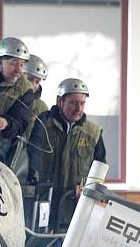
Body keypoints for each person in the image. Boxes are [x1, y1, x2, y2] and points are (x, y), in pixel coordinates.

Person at [26, 78, 106, 230]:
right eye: (73, 103)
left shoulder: (93, 133)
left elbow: (100, 166)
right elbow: (30, 157)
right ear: (60, 101)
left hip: (74, 206)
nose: (78, 108)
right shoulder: (42, 125)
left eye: (82, 103)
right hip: (43, 202)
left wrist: (87, 187)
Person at [7, 54, 49, 175]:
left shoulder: (41, 108)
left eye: (37, 81)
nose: (34, 85)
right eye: (30, 79)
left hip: (22, 161)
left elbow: (37, 141)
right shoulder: (7, 96)